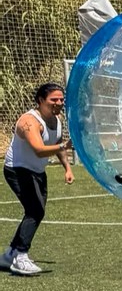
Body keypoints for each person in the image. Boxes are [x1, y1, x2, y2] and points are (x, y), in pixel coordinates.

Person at [3, 83, 73, 276]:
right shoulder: (29, 121)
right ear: (41, 100)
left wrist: (67, 168)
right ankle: (20, 257)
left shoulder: (56, 120)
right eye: (53, 100)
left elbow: (57, 145)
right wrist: (65, 146)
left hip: (37, 171)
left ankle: (10, 253)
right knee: (35, 210)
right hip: (17, 169)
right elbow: (40, 149)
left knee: (36, 211)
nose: (58, 103)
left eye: (61, 99)